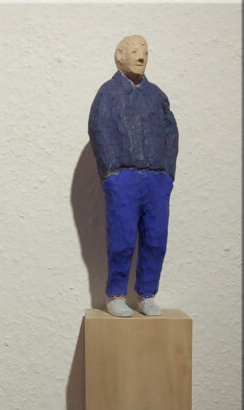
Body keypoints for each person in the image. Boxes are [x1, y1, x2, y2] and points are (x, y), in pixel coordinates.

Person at [88, 35, 178, 317]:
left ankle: (147, 294)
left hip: (156, 179)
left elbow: (171, 133)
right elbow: (99, 130)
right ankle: (116, 294)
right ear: (119, 56)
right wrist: (112, 173)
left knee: (156, 238)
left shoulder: (157, 96)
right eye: (135, 51)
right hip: (123, 177)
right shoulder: (108, 94)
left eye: (145, 52)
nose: (141, 57)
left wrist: (166, 173)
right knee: (122, 237)